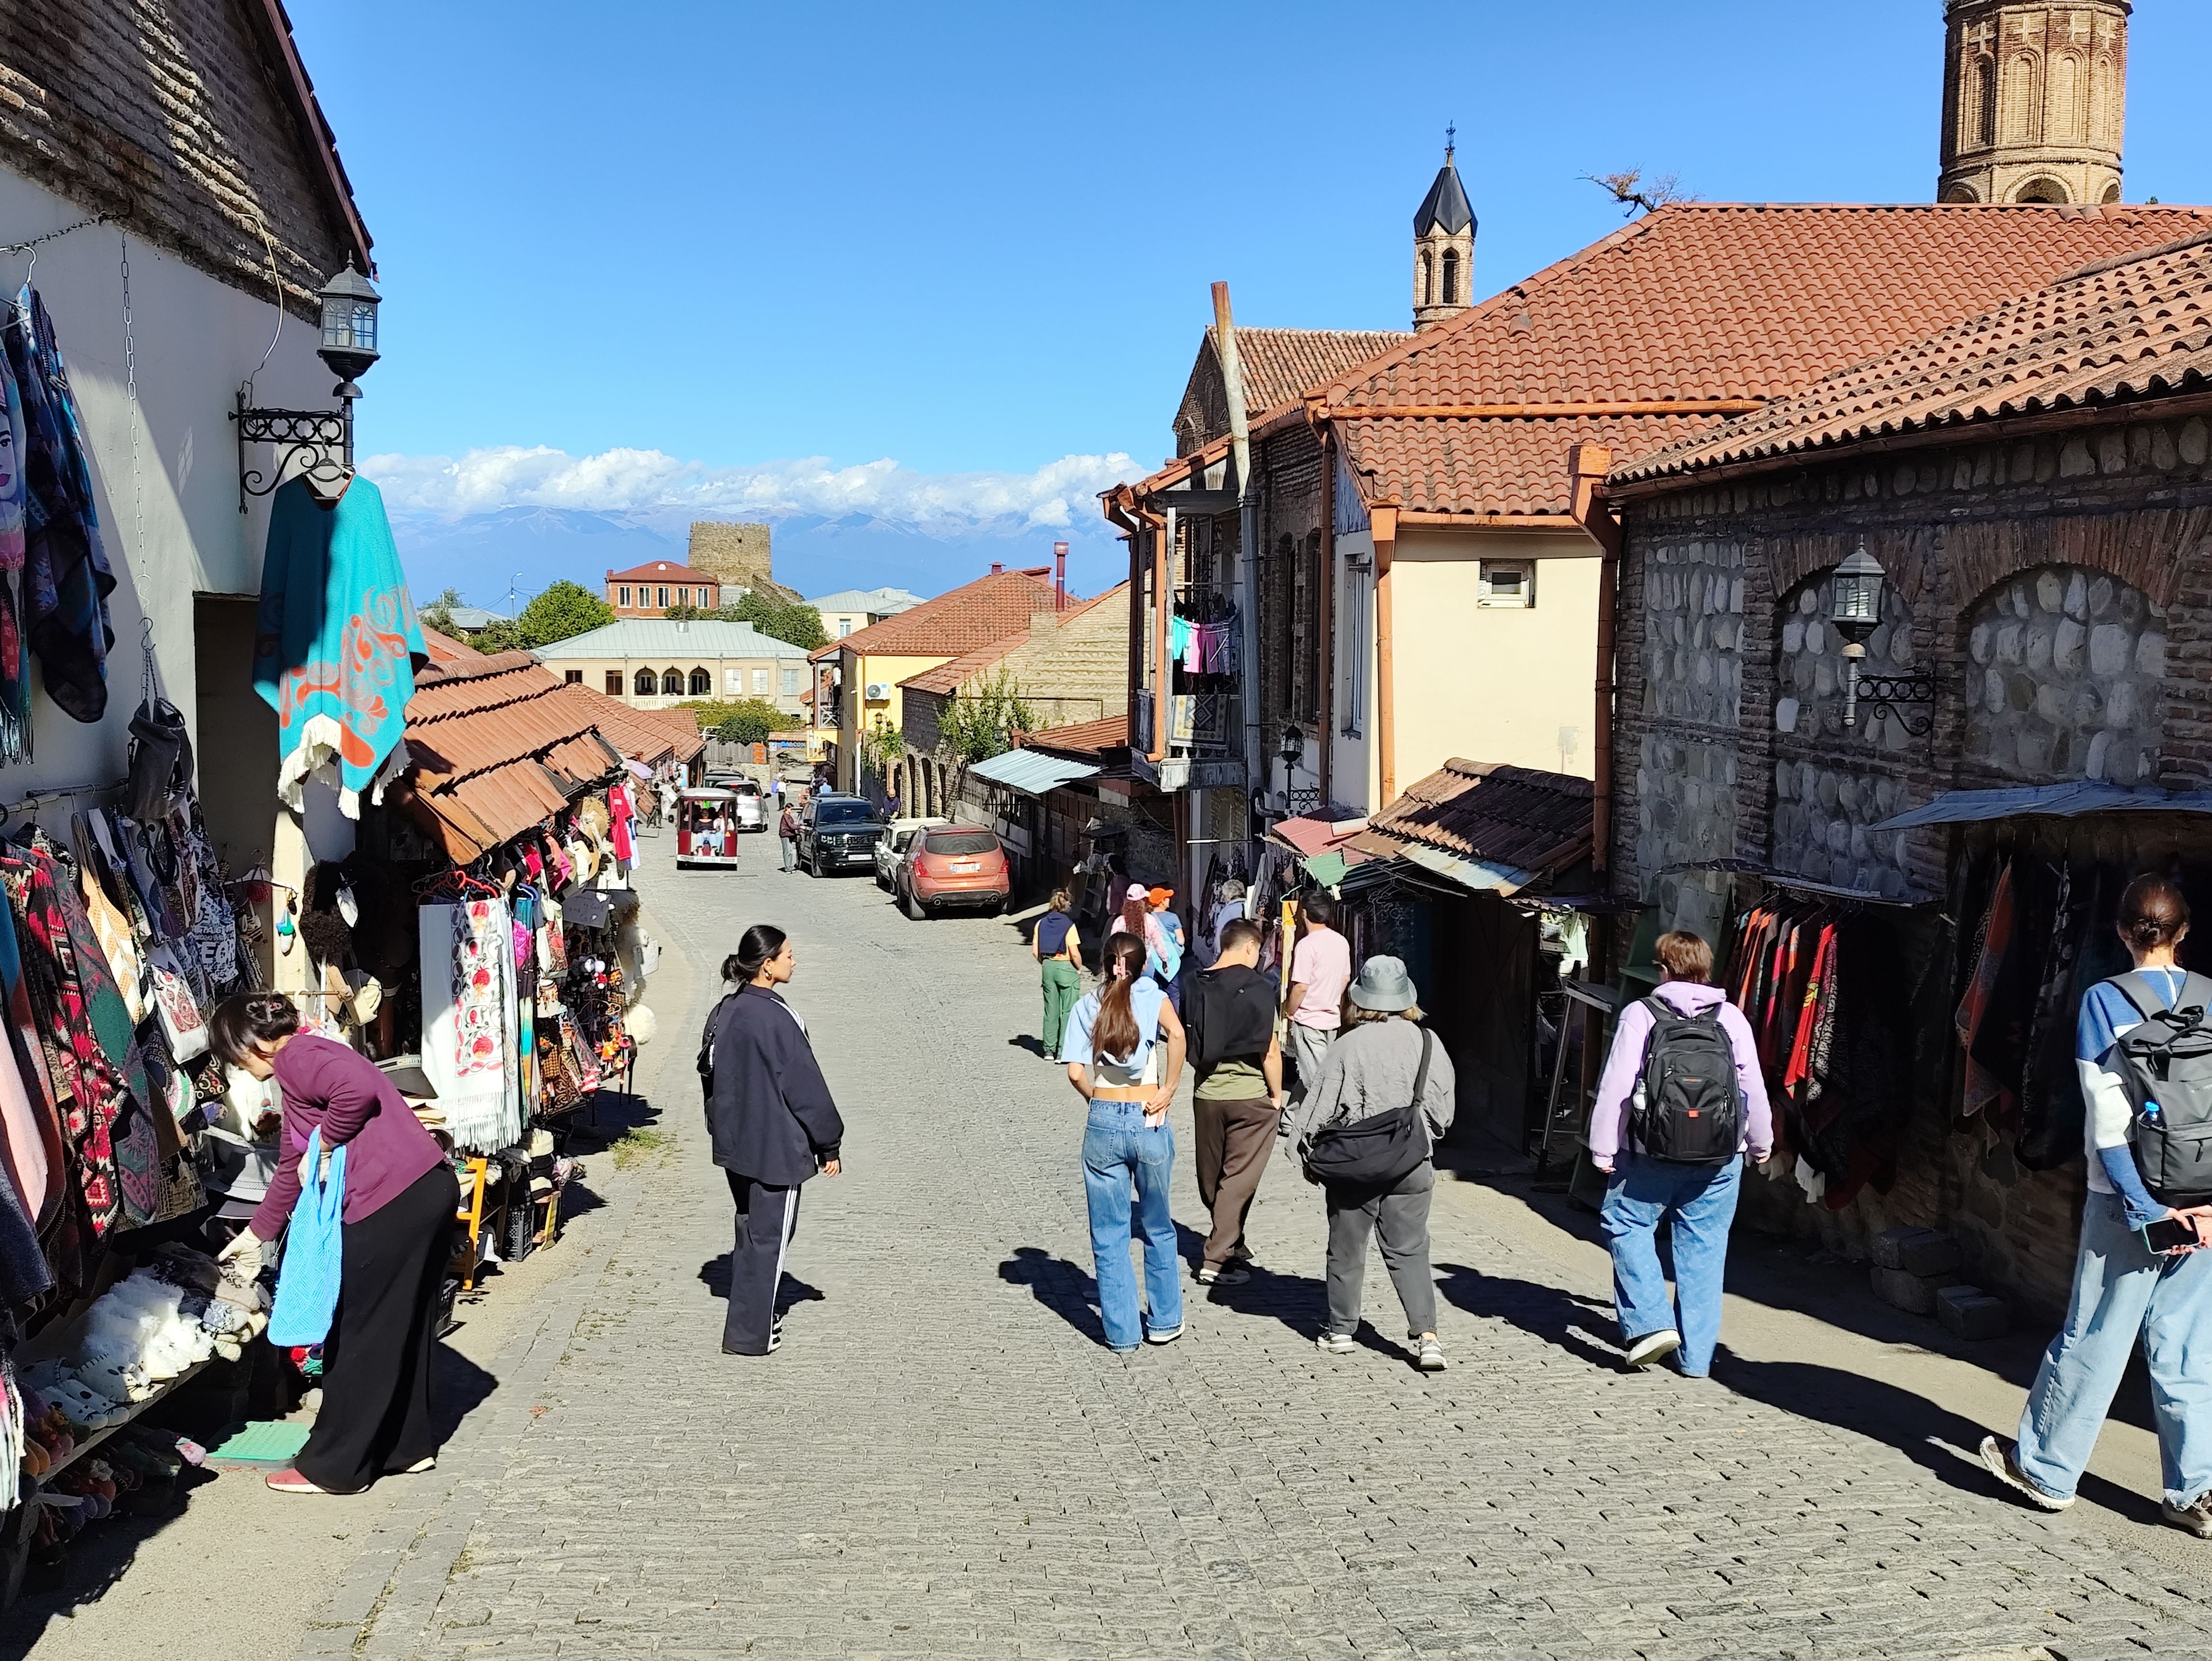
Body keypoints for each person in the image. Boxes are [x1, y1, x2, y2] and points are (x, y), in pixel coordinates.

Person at [1981, 875, 2212, 1537]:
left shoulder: (2104, 1000)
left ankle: (2047, 1471)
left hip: (2129, 1200)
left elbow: (2111, 1124)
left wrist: (2144, 1208)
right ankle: (2196, 1491)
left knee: (2096, 1335)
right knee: (2191, 1347)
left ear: (2120, 931)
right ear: (2184, 931)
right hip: (2204, 1202)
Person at [209, 994, 456, 1494]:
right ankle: (405, 1447)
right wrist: (256, 1234)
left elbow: (359, 1092)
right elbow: (288, 1170)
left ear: (249, 1042)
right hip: (425, 1188)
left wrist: (324, 1142)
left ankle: (335, 1467)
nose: (234, 1064)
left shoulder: (296, 1056)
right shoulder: (303, 1064)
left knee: (358, 1329)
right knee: (399, 1326)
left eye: (231, 1052)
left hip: (393, 1199)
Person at [1587, 930, 1774, 1377]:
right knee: (1705, 1251)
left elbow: (1617, 1085)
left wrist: (1603, 1147)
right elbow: (1752, 1088)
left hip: (1649, 1152)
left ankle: (1651, 1322)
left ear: (1664, 970)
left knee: (1626, 1223)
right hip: (1719, 1157)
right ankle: (1695, 1359)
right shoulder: (1731, 1018)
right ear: (1706, 970)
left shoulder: (1642, 1013)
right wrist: (1761, 1143)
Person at [1286, 956, 1454, 1371]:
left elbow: (1318, 1110)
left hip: (1354, 1165)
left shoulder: (1347, 1045)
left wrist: (1303, 1150)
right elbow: (1443, 1112)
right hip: (1412, 1163)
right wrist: (1417, 1138)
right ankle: (1428, 1338)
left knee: (1347, 1248)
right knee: (1410, 1249)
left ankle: (1342, 1329)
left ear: (1360, 999)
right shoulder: (1428, 1042)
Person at [703, 925, 845, 1356]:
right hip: (776, 1150)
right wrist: (829, 1144)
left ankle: (751, 1315)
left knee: (750, 1231)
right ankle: (751, 1334)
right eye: (788, 955)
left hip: (736, 1146)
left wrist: (720, 1128)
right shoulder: (781, 1018)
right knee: (770, 1239)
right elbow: (806, 1087)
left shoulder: (724, 1010)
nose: (794, 961)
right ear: (767, 965)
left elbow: (707, 1072)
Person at [1063, 932, 1187, 1353]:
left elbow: (1076, 1072)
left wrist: (1098, 1104)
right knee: (1158, 1224)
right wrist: (1169, 1087)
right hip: (1149, 1115)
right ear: (1141, 964)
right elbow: (1178, 1036)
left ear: (1105, 963)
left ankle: (1121, 1333)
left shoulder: (1086, 1006)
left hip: (1104, 1117)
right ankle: (1165, 1320)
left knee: (1109, 1233)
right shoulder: (1152, 997)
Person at [1183, 918, 1284, 1285]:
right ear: (1250, 948)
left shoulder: (1193, 984)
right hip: (1251, 1096)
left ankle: (1231, 1239)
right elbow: (1270, 1051)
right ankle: (1216, 1259)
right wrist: (1276, 1096)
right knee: (1238, 1179)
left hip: (1207, 1095)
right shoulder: (1261, 988)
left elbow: (1182, 1036)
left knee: (1212, 1179)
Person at [1282, 893, 1351, 1104]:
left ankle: (1327, 1121)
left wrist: (1289, 1010)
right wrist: (1330, 998)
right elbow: (1345, 978)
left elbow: (1301, 987)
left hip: (1309, 1020)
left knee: (1318, 1079)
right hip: (1331, 1019)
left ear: (1304, 914)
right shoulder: (1341, 942)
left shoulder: (1306, 946)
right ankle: (1291, 1120)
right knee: (1314, 1071)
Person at [1033, 886, 1086, 1061]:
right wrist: (1079, 968)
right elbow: (1075, 953)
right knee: (1068, 1010)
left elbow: (1036, 951)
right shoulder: (1069, 926)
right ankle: (1063, 1051)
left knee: (1051, 1010)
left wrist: (1046, 963)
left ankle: (1049, 1049)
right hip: (1065, 966)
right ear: (1066, 905)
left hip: (1048, 967)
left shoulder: (1040, 924)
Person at [1146, 887, 1187, 1011]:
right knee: (1173, 994)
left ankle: (1156, 1028)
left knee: (1155, 993)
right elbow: (1181, 940)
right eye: (1167, 898)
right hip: (1170, 961)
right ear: (1162, 902)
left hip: (1152, 961)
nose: (1169, 900)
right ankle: (1173, 1025)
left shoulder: (1147, 918)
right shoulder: (1173, 918)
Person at [1194, 878, 1248, 971]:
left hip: (1230, 954)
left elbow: (1220, 934)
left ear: (1228, 895)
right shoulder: (1247, 907)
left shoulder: (1228, 911)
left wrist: (1218, 956)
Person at [778, 800, 800, 873]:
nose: (792, 811)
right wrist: (800, 827)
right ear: (787, 808)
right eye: (791, 809)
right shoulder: (785, 816)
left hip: (789, 835)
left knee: (790, 851)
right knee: (787, 851)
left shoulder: (789, 816)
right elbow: (790, 826)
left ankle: (790, 866)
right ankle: (787, 868)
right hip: (785, 835)